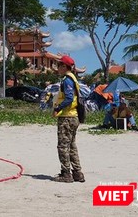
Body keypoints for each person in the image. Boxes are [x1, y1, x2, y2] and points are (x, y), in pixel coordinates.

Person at [51, 55, 84, 183]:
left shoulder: (67, 80)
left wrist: (57, 108)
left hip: (67, 117)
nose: (57, 68)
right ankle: (77, 173)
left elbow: (69, 98)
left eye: (59, 65)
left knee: (63, 146)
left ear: (64, 66)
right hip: (74, 116)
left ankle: (66, 174)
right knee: (71, 145)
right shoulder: (73, 79)